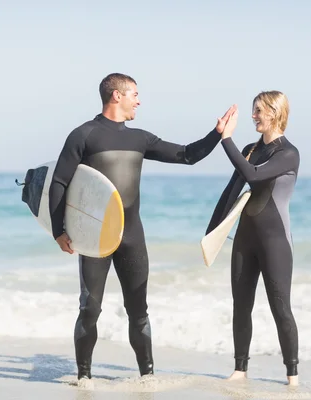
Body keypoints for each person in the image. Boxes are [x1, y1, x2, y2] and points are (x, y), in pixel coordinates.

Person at [49, 72, 235, 380]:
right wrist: (59, 231)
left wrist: (217, 133)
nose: (139, 100)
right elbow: (58, 182)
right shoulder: (83, 135)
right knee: (90, 309)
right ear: (116, 96)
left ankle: (147, 378)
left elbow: (187, 155)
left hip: (132, 237)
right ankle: (84, 378)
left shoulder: (140, 139)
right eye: (134, 93)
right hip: (95, 238)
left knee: (139, 312)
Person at [205, 91, 301, 386]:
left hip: (275, 243)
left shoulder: (288, 153)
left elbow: (253, 175)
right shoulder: (249, 148)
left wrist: (226, 140)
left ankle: (292, 375)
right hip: (244, 239)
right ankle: (240, 369)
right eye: (253, 110)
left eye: (258, 110)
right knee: (241, 304)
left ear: (273, 113)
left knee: (280, 307)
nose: (254, 116)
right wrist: (210, 234)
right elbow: (232, 190)